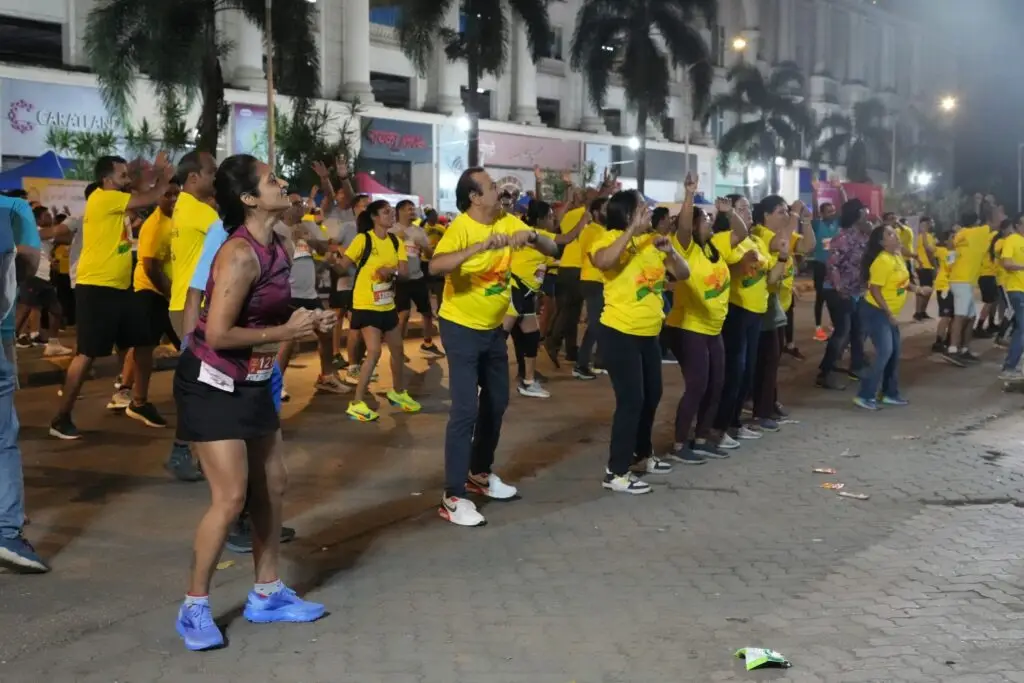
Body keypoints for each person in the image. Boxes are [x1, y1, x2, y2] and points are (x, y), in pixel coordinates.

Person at [173, 154, 330, 651]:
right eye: (272, 179)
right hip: (212, 381)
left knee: (273, 483)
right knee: (232, 496)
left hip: (254, 377)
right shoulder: (238, 254)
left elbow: (272, 312)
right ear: (248, 199)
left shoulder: (279, 244)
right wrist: (286, 330)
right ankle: (194, 605)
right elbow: (217, 333)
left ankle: (267, 593)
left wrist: (308, 320)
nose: (283, 183)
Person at [430, 167, 559, 527]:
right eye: (490, 186)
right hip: (460, 327)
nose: (499, 189)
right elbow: (436, 265)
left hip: (492, 330)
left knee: (497, 401)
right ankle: (452, 496)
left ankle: (480, 473)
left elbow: (553, 247)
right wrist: (480, 246)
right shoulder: (461, 228)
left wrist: (531, 235)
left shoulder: (508, 220)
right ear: (474, 197)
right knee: (465, 410)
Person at [50, 154, 175, 439]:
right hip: (96, 288)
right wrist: (164, 179)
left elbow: (141, 189)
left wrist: (152, 172)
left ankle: (139, 402)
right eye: (122, 176)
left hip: (120, 288)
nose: (127, 181)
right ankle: (61, 418)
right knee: (87, 354)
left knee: (144, 342)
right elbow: (149, 197)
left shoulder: (114, 200)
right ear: (107, 180)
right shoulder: (103, 198)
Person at [589, 190, 689, 493]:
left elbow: (683, 273)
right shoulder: (605, 239)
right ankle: (615, 472)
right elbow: (604, 262)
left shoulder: (652, 244)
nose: (648, 213)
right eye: (641, 209)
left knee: (652, 395)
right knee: (631, 401)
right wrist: (632, 231)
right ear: (628, 214)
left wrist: (670, 251)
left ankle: (643, 455)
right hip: (620, 332)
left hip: (648, 335)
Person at [663, 176, 730, 464]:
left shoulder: (713, 250)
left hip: (714, 327)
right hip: (688, 326)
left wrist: (729, 212)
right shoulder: (685, 247)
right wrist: (689, 194)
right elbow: (684, 225)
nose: (709, 223)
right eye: (704, 219)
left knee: (717, 383)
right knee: (697, 385)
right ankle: (680, 444)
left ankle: (701, 438)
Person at [336, 200, 421, 422]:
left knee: (398, 350)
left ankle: (398, 392)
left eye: (392, 213)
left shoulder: (395, 241)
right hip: (365, 304)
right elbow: (342, 266)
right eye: (386, 212)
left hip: (387, 305)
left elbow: (404, 273)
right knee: (374, 352)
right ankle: (356, 403)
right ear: (374, 217)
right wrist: (330, 260)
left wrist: (389, 270)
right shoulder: (363, 239)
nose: (391, 216)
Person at [0, 191, 48, 573]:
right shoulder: (11, 209)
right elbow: (29, 262)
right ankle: (6, 530)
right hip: (0, 330)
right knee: (3, 435)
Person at [711, 194, 783, 447]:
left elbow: (771, 277)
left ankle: (734, 423)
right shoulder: (726, 241)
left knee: (747, 372)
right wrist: (741, 263)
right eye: (742, 209)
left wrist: (783, 259)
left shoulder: (755, 242)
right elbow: (723, 272)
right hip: (737, 310)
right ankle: (718, 427)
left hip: (757, 312)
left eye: (749, 208)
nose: (749, 212)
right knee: (734, 371)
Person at [111, 181, 183, 430]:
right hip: (153, 292)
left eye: (177, 193)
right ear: (157, 198)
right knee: (146, 348)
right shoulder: (155, 225)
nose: (173, 197)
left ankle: (129, 394)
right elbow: (151, 267)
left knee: (147, 346)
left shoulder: (176, 220)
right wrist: (170, 294)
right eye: (168, 194)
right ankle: (137, 400)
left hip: (166, 293)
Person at [507, 199, 581, 398]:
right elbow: (567, 237)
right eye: (549, 217)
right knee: (497, 339)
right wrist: (585, 218)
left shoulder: (542, 239)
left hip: (527, 292)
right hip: (514, 288)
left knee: (531, 336)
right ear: (540, 220)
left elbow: (556, 245)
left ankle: (528, 382)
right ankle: (481, 382)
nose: (553, 220)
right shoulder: (538, 235)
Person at [751, 198, 814, 430]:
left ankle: (769, 402)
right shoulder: (761, 233)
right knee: (766, 359)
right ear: (765, 215)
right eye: (781, 212)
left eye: (787, 211)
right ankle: (761, 409)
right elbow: (782, 244)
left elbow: (807, 247)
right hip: (764, 303)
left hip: (780, 304)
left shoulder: (782, 232)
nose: (786, 215)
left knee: (772, 358)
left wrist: (805, 220)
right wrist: (795, 217)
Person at [855, 224, 930, 410]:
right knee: (885, 352)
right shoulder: (882, 261)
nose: (895, 235)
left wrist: (918, 289)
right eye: (889, 234)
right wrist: (888, 313)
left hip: (887, 312)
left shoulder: (896, 257)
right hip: (875, 311)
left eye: (894, 232)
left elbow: (903, 283)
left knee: (894, 353)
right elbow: (874, 289)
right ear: (882, 242)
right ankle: (865, 395)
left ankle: (889, 393)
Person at [815, 199, 870, 390]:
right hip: (837, 291)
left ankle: (857, 365)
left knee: (858, 330)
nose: (868, 215)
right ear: (857, 215)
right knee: (842, 331)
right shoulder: (843, 238)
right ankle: (825, 372)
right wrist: (840, 288)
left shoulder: (864, 237)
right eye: (865, 212)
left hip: (856, 291)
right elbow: (832, 265)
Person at [14, 206, 73, 356]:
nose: (50, 218)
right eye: (47, 215)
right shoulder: (36, 231)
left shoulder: (42, 232)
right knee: (24, 310)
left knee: (57, 311)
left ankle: (53, 344)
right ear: (38, 219)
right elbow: (66, 238)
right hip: (33, 276)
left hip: (44, 278)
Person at [390, 199, 445, 357]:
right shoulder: (392, 231)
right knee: (404, 314)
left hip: (418, 277)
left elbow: (428, 254)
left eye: (413, 209)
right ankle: (398, 350)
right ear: (399, 211)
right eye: (409, 209)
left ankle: (427, 344)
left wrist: (426, 248)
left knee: (427, 312)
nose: (413, 212)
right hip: (401, 279)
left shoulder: (419, 231)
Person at [945, 211, 992, 364]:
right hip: (962, 281)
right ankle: (953, 349)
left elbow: (950, 258)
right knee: (960, 316)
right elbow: (994, 224)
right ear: (977, 221)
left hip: (962, 280)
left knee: (971, 316)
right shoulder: (978, 232)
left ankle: (964, 349)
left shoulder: (959, 235)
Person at [572, 198, 606, 379]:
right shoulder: (591, 231)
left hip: (599, 281)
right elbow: (592, 255)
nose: (607, 212)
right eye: (604, 208)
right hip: (592, 280)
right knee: (596, 324)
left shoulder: (603, 230)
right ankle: (581, 364)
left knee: (601, 323)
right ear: (594, 212)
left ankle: (598, 361)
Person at [809, 177, 843, 341]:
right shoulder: (817, 224)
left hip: (836, 267)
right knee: (821, 297)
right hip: (821, 266)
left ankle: (835, 325)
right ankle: (818, 328)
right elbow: (815, 208)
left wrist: (839, 188)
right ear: (822, 214)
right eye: (828, 211)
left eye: (833, 211)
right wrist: (815, 192)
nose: (832, 213)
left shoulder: (837, 223)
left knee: (835, 297)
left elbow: (844, 207)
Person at [997, 215, 1024, 380]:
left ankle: (1011, 365)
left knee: (1020, 329)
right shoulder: (1012, 240)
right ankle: (1009, 367)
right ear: (1017, 225)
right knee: (1022, 329)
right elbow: (1006, 263)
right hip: (1016, 290)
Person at [931, 230, 957, 356]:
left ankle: (948, 339)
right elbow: (929, 250)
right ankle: (938, 342)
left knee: (954, 316)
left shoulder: (958, 253)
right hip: (944, 287)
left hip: (955, 287)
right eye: (952, 237)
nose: (955, 239)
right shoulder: (943, 251)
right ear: (946, 240)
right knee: (946, 315)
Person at [913, 216, 937, 321]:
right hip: (925, 266)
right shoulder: (925, 236)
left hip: (922, 265)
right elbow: (929, 251)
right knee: (925, 290)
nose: (933, 223)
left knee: (925, 289)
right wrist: (935, 266)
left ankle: (921, 312)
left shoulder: (921, 236)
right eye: (931, 222)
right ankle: (919, 312)